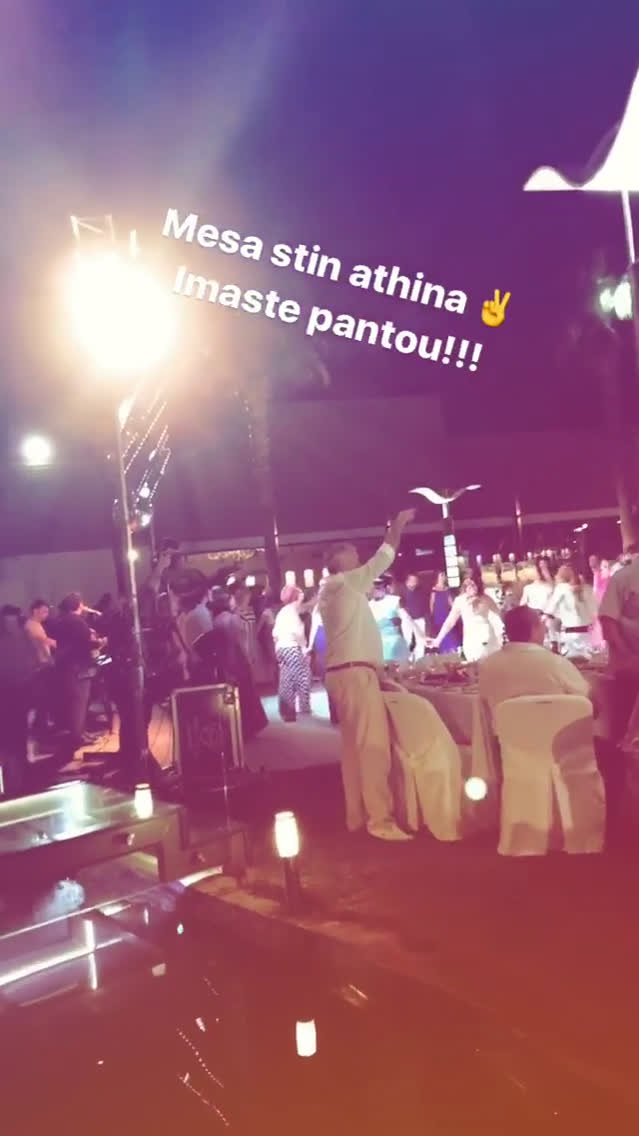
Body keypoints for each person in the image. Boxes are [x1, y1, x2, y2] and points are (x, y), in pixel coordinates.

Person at [319, 507, 416, 841]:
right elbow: (384, 556)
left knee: (352, 750)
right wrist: (397, 525)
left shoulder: (332, 589)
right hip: (354, 674)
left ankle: (357, 816)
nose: (358, 557)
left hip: (341, 673)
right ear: (339, 561)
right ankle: (380, 820)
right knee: (373, 748)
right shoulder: (346, 583)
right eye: (352, 553)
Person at [478, 606, 592, 729]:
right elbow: (590, 703)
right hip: (559, 738)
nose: (545, 629)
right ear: (534, 630)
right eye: (542, 625)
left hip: (507, 738)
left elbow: (485, 708)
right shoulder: (555, 663)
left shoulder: (488, 665)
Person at [196, 592, 267, 740]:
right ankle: (250, 727)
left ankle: (238, 728)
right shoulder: (232, 619)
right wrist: (248, 656)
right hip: (237, 658)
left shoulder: (215, 620)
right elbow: (240, 641)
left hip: (225, 660)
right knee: (246, 693)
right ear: (227, 602)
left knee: (236, 695)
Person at [0, 605, 39, 796]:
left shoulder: (23, 638)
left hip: (17, 692)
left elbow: (31, 662)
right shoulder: (22, 637)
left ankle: (17, 781)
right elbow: (32, 662)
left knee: (15, 738)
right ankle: (16, 781)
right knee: (13, 738)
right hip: (11, 693)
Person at [54, 593, 96, 757]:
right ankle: (77, 737)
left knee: (74, 703)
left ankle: (80, 732)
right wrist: (101, 641)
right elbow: (87, 642)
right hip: (79, 667)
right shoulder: (77, 621)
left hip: (66, 667)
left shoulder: (61, 620)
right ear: (78, 605)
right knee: (80, 703)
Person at [430, 573, 503, 662]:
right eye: (467, 585)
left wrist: (500, 636)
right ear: (464, 587)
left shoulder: (486, 599)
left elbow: (498, 617)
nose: (471, 587)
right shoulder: (460, 601)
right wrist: (438, 639)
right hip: (472, 641)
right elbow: (450, 621)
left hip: (488, 639)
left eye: (473, 584)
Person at [272, 586, 312, 721]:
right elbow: (298, 633)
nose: (302, 598)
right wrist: (304, 648)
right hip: (292, 647)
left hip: (281, 648)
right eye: (300, 595)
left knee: (286, 679)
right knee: (302, 677)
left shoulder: (282, 612)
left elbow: (275, 633)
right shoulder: (293, 611)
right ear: (295, 597)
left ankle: (287, 710)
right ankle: (304, 706)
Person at [544, 564, 596, 659]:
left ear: (561, 577)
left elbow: (550, 609)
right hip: (587, 634)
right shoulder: (588, 589)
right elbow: (595, 610)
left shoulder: (561, 589)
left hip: (569, 635)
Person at [369, 578, 412, 662]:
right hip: (377, 644)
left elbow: (404, 619)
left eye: (378, 587)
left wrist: (388, 622)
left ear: (384, 587)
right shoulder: (369, 605)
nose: (376, 590)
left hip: (395, 642)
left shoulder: (395, 600)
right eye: (374, 588)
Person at [429, 571, 459, 653]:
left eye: (444, 576)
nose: (443, 577)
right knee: (441, 630)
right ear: (437, 577)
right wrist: (432, 615)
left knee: (450, 630)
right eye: (441, 576)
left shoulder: (447, 589)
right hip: (438, 614)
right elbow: (431, 603)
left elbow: (450, 601)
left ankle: (453, 648)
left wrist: (455, 610)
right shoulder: (434, 590)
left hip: (446, 613)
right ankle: (444, 649)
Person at [403, 573, 429, 657]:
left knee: (421, 641)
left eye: (415, 580)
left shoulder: (421, 592)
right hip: (407, 620)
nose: (413, 582)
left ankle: (419, 659)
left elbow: (425, 605)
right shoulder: (402, 592)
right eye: (411, 580)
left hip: (419, 619)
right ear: (407, 582)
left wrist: (425, 617)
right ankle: (408, 659)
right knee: (408, 640)